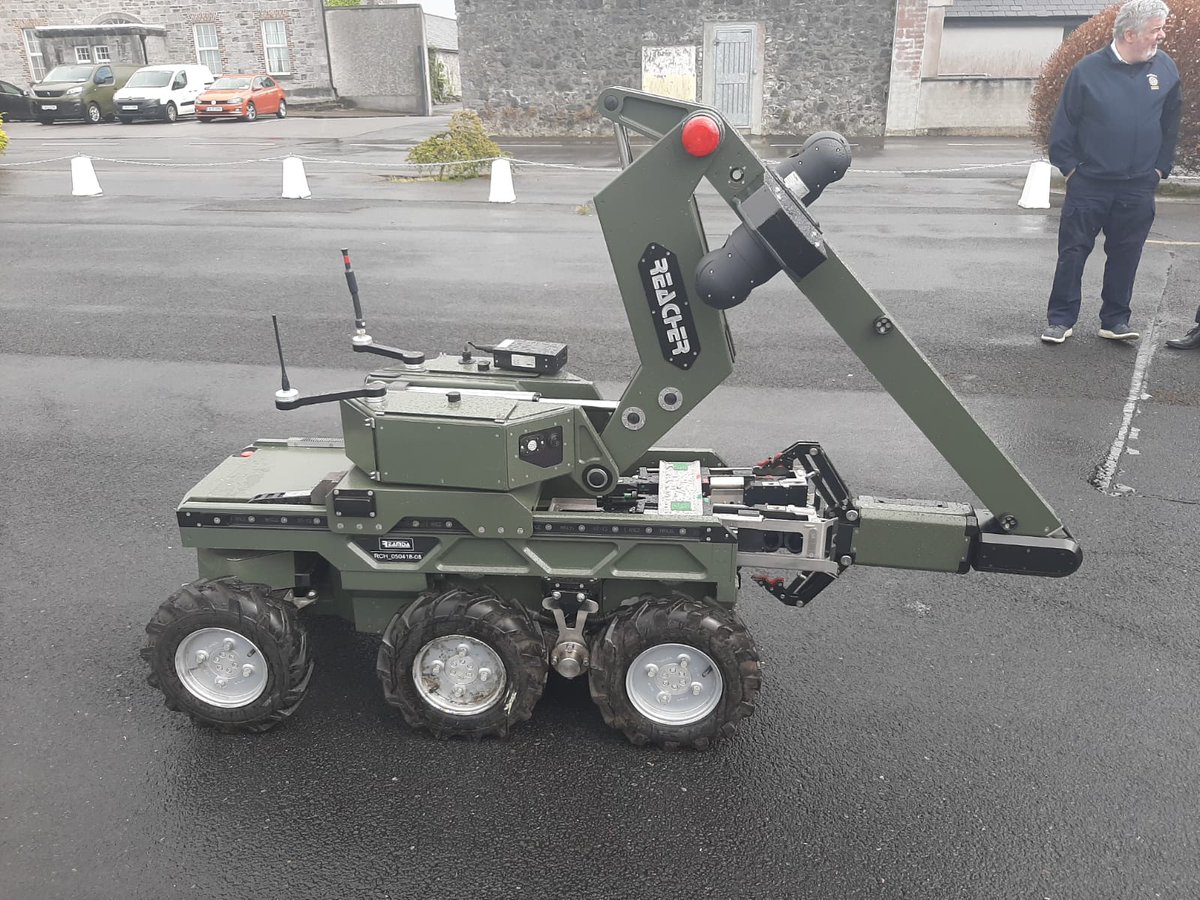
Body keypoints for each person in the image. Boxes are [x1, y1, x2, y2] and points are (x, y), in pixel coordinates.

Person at [1040, 0, 1182, 345]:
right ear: (1130, 34)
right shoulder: (1087, 71)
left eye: (1162, 28)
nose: (1161, 36)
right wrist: (1071, 170)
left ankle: (1115, 320)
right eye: (1156, 30)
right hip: (1090, 183)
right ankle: (1061, 319)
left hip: (1137, 186)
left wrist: (1161, 168)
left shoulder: (1164, 68)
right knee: (1073, 252)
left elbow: (1171, 123)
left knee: (1127, 254)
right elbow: (1064, 125)